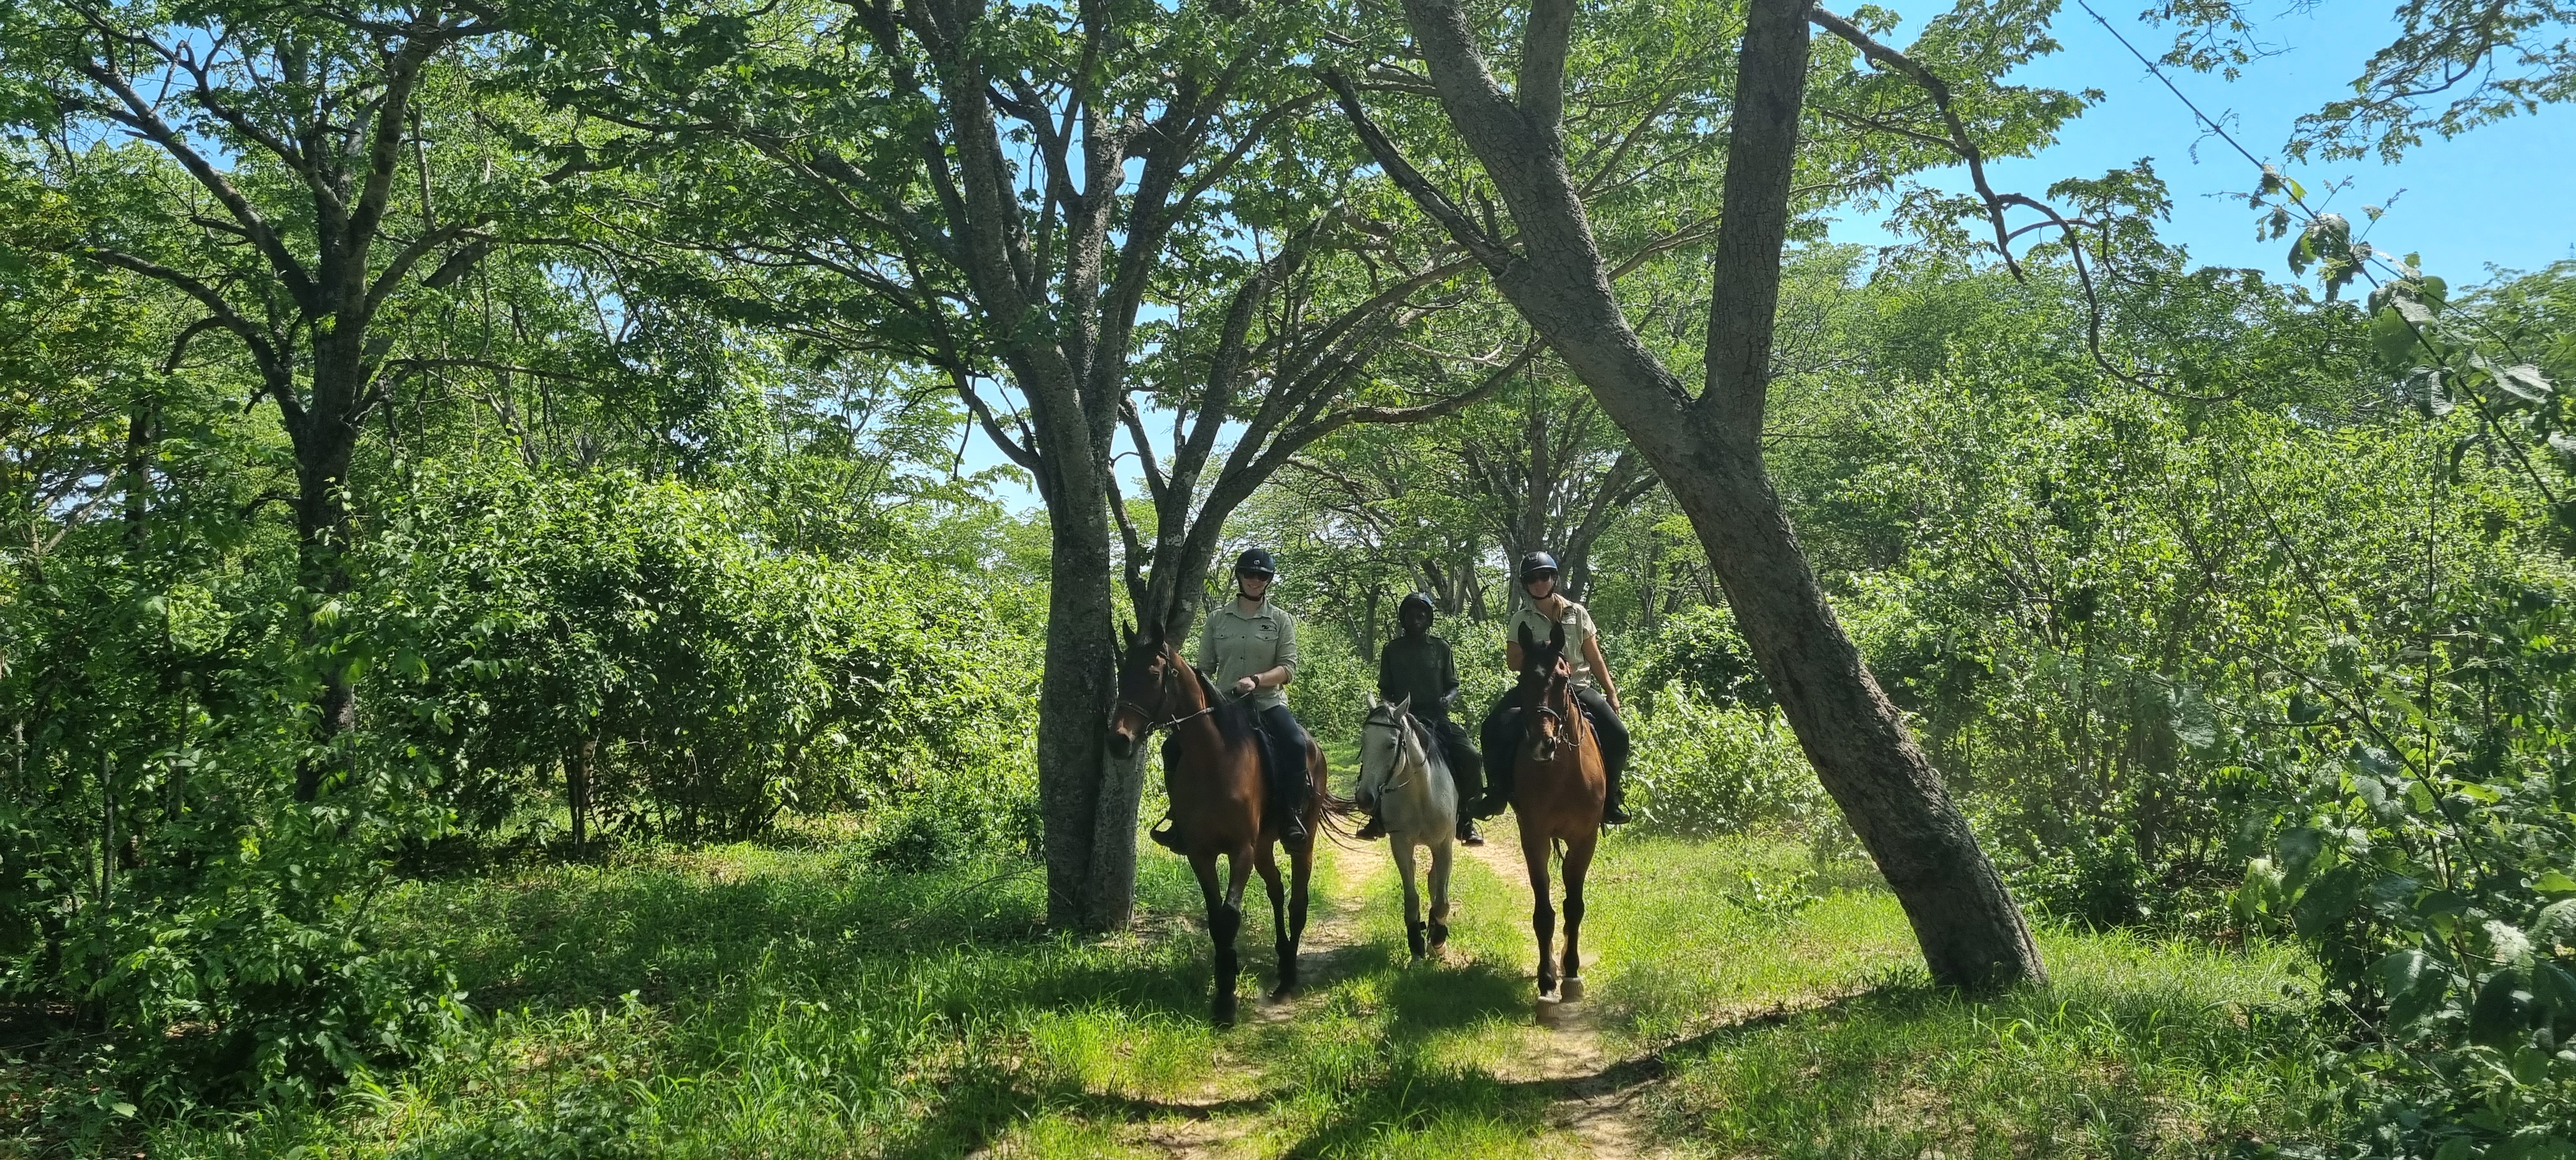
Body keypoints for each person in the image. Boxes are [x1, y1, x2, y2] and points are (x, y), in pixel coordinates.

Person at [1476, 552, 1632, 824]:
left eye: (1544, 576)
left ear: (1554, 578)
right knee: (1491, 727)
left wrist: (1611, 692)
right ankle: (1497, 793)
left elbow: (1594, 657)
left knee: (1619, 734)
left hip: (1577, 687)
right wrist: (1541, 654)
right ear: (1526, 584)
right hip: (1535, 690)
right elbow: (1513, 662)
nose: (1539, 583)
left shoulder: (1577, 613)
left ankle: (1611, 799)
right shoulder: (1521, 619)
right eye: (1532, 579)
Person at [1187, 547, 1311, 843]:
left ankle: (1291, 815)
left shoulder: (1280, 620)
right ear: (1240, 576)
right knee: (1174, 748)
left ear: (1269, 580)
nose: (1255, 580)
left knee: (1295, 745)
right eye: (1249, 574)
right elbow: (1204, 668)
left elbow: (1288, 668)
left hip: (1267, 703)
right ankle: (1180, 819)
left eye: (1262, 576)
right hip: (1225, 705)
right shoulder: (1217, 619)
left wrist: (1257, 680)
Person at [1356, 593, 1486, 846]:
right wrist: (1391, 709)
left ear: (1429, 619)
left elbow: (1453, 685)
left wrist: (1448, 699)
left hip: (1437, 719)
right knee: (1378, 754)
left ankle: (1466, 820)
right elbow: (1385, 690)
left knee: (1470, 756)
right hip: (1403, 718)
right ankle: (1376, 816)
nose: (1415, 620)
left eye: (1421, 615)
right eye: (1410, 615)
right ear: (1402, 619)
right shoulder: (1392, 650)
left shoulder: (1441, 648)